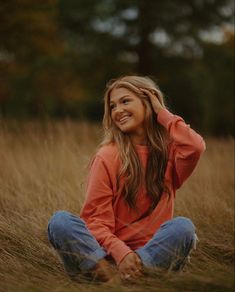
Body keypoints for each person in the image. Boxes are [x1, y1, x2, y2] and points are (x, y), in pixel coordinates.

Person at [47, 75, 206, 282]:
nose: (117, 111)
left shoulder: (169, 154)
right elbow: (95, 222)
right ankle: (113, 278)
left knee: (183, 227)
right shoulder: (107, 156)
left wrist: (162, 114)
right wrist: (121, 254)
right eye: (112, 106)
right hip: (103, 256)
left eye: (125, 101)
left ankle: (131, 275)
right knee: (60, 222)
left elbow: (195, 147)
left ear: (149, 101)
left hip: (151, 256)